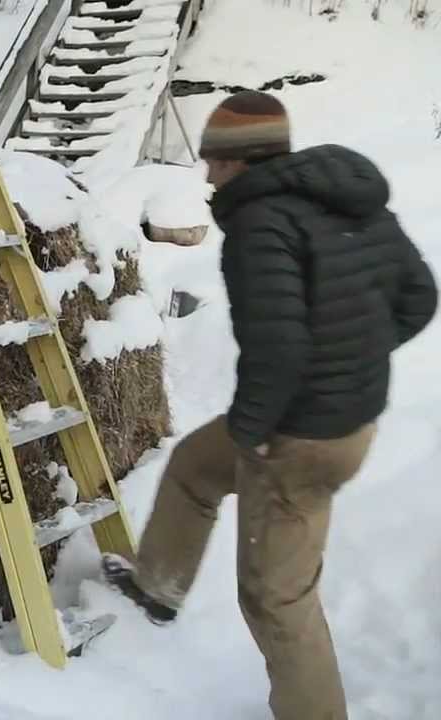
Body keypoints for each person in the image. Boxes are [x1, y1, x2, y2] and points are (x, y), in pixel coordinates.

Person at [102, 90, 438, 720]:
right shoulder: (345, 201)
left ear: (242, 162)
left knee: (277, 600)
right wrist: (352, 363)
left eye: (214, 161)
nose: (205, 173)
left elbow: (278, 348)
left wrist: (257, 429)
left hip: (298, 437)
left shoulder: (261, 225)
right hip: (344, 422)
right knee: (195, 467)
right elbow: (419, 298)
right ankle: (158, 585)